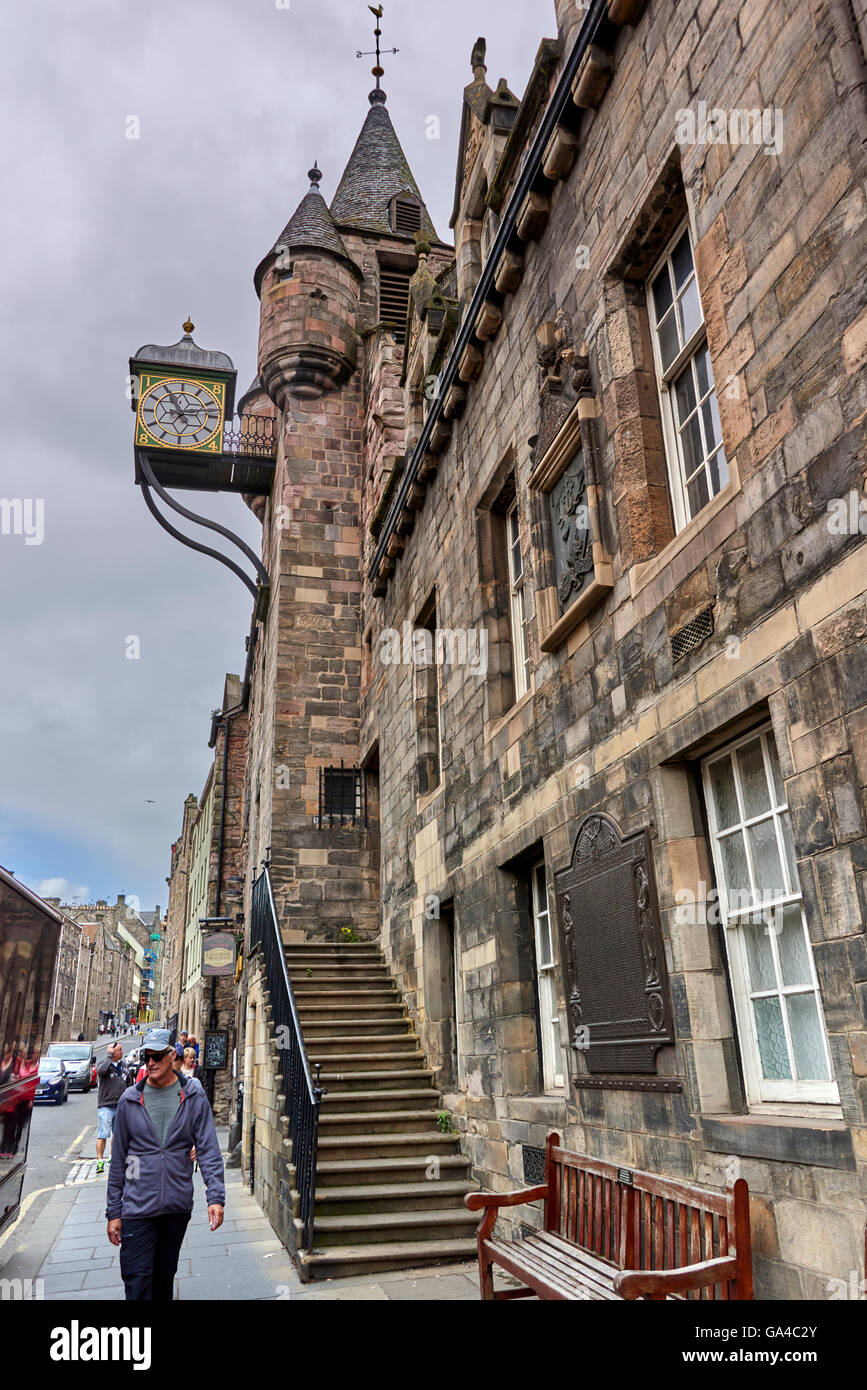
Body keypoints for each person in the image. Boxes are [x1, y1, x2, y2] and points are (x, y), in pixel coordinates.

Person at [105, 1028, 224, 1301]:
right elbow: (119, 1159)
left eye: (157, 1056)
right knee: (137, 1282)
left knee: (163, 1280)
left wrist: (215, 1196)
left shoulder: (193, 1095)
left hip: (176, 1206)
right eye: (147, 1056)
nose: (151, 1063)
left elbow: (208, 1148)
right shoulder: (129, 1100)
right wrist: (114, 1211)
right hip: (137, 1207)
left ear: (173, 1056)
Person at [95, 1043, 127, 1174]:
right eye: (120, 1050)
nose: (122, 1052)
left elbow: (129, 1081)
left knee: (117, 1134)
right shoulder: (104, 1064)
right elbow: (101, 1071)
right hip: (106, 1105)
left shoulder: (123, 1065)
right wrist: (108, 1056)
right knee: (103, 1134)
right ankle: (99, 1161)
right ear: (113, 1052)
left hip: (120, 1105)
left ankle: (112, 1157)